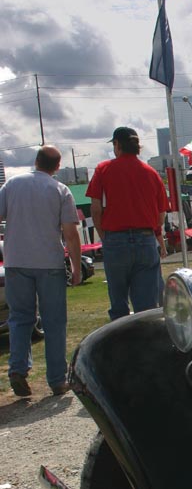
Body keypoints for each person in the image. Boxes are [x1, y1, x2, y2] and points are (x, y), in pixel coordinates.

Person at [0, 145, 82, 397]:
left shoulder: (12, 185)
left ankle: (18, 369)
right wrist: (76, 266)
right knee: (54, 321)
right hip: (48, 262)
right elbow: (70, 233)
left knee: (20, 318)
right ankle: (57, 379)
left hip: (15, 261)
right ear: (57, 167)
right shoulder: (60, 190)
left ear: (36, 161)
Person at [87, 127, 168, 320]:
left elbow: (96, 209)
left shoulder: (103, 169)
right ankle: (146, 345)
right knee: (147, 307)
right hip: (146, 240)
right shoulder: (151, 173)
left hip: (115, 240)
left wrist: (103, 234)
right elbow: (161, 215)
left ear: (118, 144)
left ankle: (121, 345)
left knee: (118, 304)